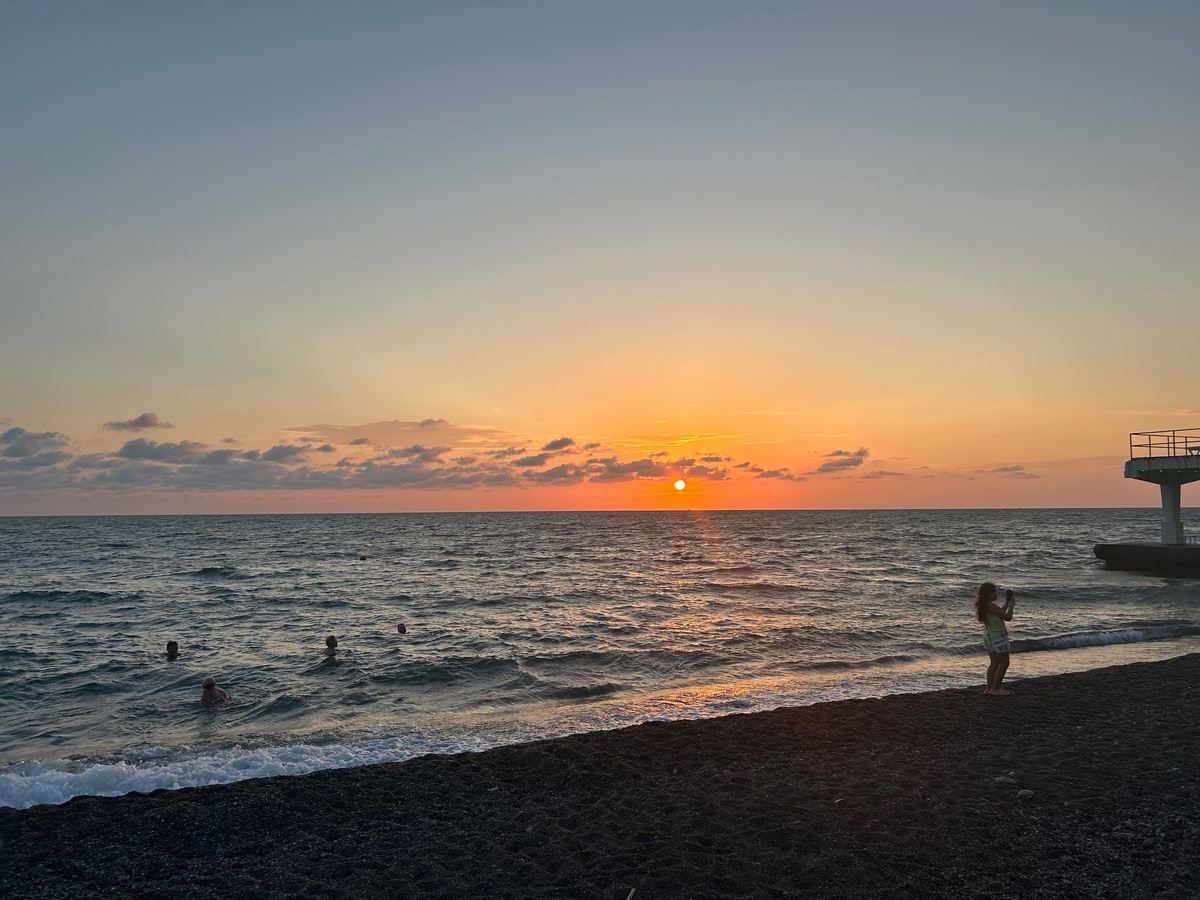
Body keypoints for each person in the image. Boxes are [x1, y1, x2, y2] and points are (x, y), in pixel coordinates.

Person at [975, 582, 1015, 695]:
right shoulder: (992, 606)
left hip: (989, 637)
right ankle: (995, 688)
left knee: (994, 662)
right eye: (994, 592)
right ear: (989, 594)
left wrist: (1007, 603)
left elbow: (1000, 613)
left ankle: (989, 688)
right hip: (998, 637)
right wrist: (1011, 606)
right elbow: (1007, 617)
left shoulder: (984, 606)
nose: (996, 594)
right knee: (1004, 663)